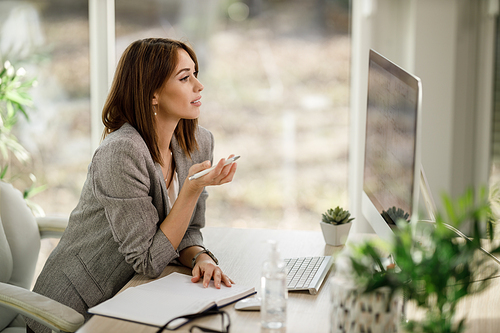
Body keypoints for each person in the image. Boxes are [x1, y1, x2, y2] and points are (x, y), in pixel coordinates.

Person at [26, 38, 237, 333]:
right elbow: (149, 261)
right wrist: (191, 190)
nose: (199, 86)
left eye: (196, 74)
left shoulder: (199, 143)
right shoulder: (121, 153)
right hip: (72, 311)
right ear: (153, 93)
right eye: (185, 77)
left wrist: (200, 257)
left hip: (132, 297)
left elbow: (188, 230)